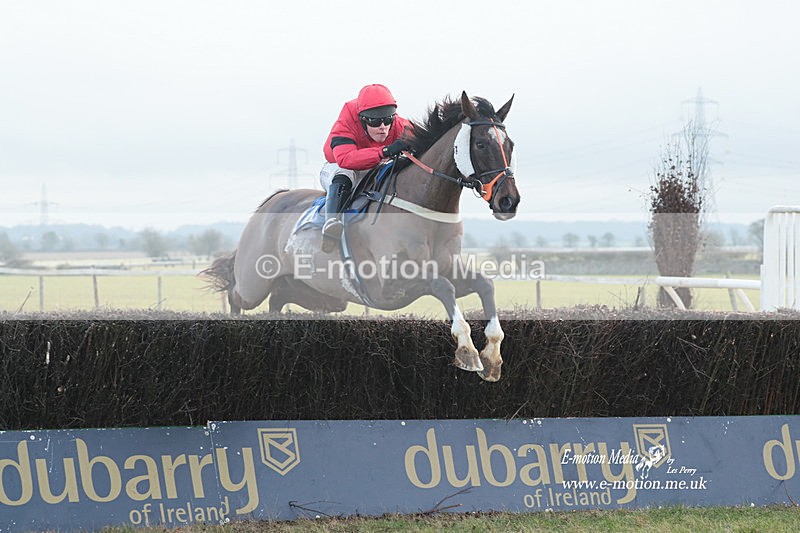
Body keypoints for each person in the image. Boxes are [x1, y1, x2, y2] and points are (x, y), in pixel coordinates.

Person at [319, 84, 412, 252]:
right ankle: (332, 223)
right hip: (341, 165)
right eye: (376, 121)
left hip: (375, 164)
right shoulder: (346, 121)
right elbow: (345, 159)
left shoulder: (400, 125)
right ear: (362, 120)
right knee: (344, 173)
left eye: (388, 119)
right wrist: (384, 151)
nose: (383, 126)